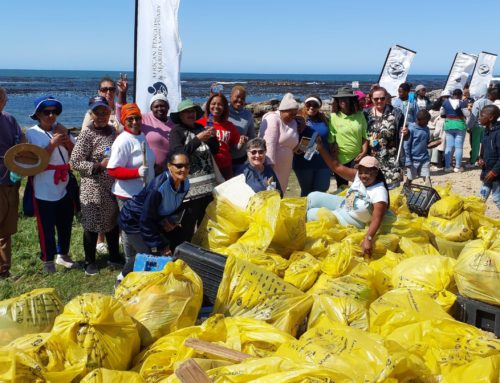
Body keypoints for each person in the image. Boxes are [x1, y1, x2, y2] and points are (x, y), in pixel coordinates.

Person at [69, 96, 122, 276]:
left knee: (112, 223)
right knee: (92, 224)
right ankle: (89, 261)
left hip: (111, 185)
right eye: (97, 113)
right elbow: (74, 162)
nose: (101, 116)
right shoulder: (86, 134)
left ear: (109, 113)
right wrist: (98, 166)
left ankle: (114, 256)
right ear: (91, 114)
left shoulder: (112, 132)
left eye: (105, 112)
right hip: (92, 187)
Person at [117, 150, 190, 280]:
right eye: (179, 166)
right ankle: (122, 277)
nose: (183, 169)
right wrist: (161, 245)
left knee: (172, 243)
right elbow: (146, 219)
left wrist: (166, 220)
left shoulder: (185, 184)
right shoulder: (159, 188)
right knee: (148, 254)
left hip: (152, 218)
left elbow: (170, 205)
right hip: (134, 219)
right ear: (169, 166)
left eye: (186, 166)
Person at [26, 96, 78, 273]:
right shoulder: (31, 134)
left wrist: (66, 140)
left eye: (54, 112)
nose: (50, 115)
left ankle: (63, 255)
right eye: (46, 112)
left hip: (64, 182)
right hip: (43, 184)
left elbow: (75, 156)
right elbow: (34, 161)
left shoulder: (63, 130)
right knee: (46, 226)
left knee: (65, 222)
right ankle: (47, 260)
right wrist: (52, 144)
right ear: (38, 115)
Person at [307, 150, 389, 258]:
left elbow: (377, 219)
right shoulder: (358, 176)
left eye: (368, 172)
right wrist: (321, 147)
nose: (363, 176)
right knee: (312, 197)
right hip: (342, 204)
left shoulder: (379, 192)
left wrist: (368, 239)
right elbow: (335, 166)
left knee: (311, 214)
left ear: (376, 172)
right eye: (361, 172)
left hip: (350, 219)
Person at [169, 99, 219, 245]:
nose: (190, 114)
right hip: (190, 192)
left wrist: (213, 137)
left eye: (192, 111)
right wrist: (197, 139)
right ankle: (183, 259)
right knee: (187, 230)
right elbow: (177, 155)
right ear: (180, 115)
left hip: (208, 189)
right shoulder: (176, 131)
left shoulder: (200, 127)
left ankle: (203, 257)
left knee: (206, 228)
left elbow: (214, 150)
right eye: (186, 112)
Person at [117, 79, 173, 175]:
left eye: (163, 106)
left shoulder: (173, 124)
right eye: (156, 106)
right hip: (146, 171)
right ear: (151, 108)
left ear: (168, 107)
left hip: (167, 172)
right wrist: (122, 93)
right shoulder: (143, 119)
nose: (159, 108)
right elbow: (123, 114)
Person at [107, 103, 155, 208]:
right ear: (124, 121)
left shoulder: (141, 135)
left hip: (144, 193)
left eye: (137, 118)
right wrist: (137, 172)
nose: (134, 122)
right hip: (128, 197)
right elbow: (112, 170)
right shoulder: (123, 141)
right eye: (130, 119)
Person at [0, 88, 23, 278]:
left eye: (2, 98)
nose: (2, 101)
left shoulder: (10, 119)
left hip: (11, 180)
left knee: (6, 229)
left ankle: (4, 270)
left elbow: (21, 144)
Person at [327, 87, 368, 189]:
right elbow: (331, 141)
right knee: (342, 187)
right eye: (340, 99)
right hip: (340, 158)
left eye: (346, 98)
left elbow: (365, 136)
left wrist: (364, 152)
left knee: (359, 186)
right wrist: (334, 159)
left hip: (357, 158)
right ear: (337, 101)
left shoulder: (360, 115)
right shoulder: (333, 117)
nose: (343, 101)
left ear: (351, 100)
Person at [364, 86, 404, 189]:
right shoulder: (365, 114)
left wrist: (406, 132)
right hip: (372, 162)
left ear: (386, 97)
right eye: (376, 99)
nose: (379, 101)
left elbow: (402, 133)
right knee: (374, 191)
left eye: (382, 98)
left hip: (391, 160)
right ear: (371, 99)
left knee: (392, 192)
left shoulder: (396, 113)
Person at [259, 93, 300, 191]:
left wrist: (298, 147)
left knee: (281, 192)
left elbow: (291, 142)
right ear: (282, 110)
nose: (293, 117)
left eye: (295, 114)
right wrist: (269, 169)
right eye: (291, 114)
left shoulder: (293, 122)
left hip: (285, 167)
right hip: (272, 167)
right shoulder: (273, 119)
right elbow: (269, 144)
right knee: (270, 192)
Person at [292, 95, 331, 196]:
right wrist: (296, 148)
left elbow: (330, 139)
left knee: (322, 190)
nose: (312, 107)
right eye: (309, 104)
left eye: (315, 105)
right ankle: (305, 212)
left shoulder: (325, 119)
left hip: (323, 162)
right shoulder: (298, 119)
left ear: (319, 107)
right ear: (304, 105)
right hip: (304, 163)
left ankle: (316, 212)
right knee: (307, 193)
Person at [197, 93, 242, 180]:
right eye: (213, 104)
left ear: (225, 108)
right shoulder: (200, 123)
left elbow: (236, 146)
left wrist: (242, 141)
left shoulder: (229, 126)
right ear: (208, 105)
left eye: (220, 104)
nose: (216, 106)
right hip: (206, 167)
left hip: (225, 167)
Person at [467, 87, 499, 168]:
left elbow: (473, 117)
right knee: (486, 144)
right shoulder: (492, 102)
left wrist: (469, 127)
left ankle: (473, 161)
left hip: (478, 126)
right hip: (489, 125)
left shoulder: (478, 102)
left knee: (475, 145)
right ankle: (484, 160)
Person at [477, 105, 500, 209]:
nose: (479, 118)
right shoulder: (485, 131)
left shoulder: (498, 133)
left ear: (490, 118)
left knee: (497, 198)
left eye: (482, 115)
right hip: (487, 171)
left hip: (497, 174)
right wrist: (480, 158)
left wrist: (494, 172)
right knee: (480, 198)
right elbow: (483, 148)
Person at [228, 85, 256, 170]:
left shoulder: (248, 114)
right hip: (224, 158)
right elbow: (208, 112)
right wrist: (213, 95)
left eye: (243, 98)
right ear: (230, 96)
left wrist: (247, 140)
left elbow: (252, 137)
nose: (239, 100)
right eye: (237, 97)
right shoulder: (224, 111)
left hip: (241, 158)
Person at [441, 88, 468, 172]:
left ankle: (447, 167)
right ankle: (457, 167)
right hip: (460, 125)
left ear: (453, 94)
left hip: (449, 124)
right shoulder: (462, 103)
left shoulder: (445, 102)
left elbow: (442, 113)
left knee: (449, 146)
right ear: (460, 95)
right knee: (459, 147)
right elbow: (466, 114)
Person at [404, 110, 432, 186]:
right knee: (410, 178)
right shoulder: (411, 129)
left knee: (427, 178)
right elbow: (406, 146)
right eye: (426, 121)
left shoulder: (426, 129)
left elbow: (427, 143)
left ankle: (429, 194)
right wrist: (408, 160)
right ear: (419, 120)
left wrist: (434, 143)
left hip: (424, 159)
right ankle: (405, 191)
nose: (427, 123)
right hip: (413, 160)